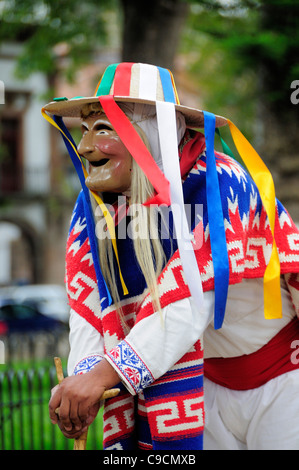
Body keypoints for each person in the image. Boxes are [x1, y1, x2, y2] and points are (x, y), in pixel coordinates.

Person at [43, 62, 299, 450]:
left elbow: (190, 298)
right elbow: (88, 302)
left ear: (151, 131)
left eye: (104, 128)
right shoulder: (94, 206)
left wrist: (103, 376)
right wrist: (85, 379)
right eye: (84, 130)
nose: (85, 148)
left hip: (283, 381)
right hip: (203, 380)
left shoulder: (221, 183)